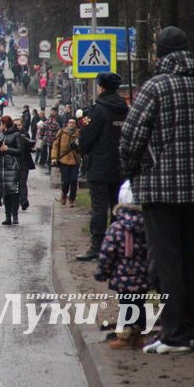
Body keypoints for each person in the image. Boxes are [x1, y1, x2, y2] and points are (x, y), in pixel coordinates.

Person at [120, 26, 194, 354]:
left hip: (160, 188)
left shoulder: (155, 88)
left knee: (167, 260)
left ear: (160, 53)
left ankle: (174, 335)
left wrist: (134, 170)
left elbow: (131, 137)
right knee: (188, 255)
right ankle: (191, 326)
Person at [76, 72, 129, 261]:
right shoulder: (125, 108)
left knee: (99, 207)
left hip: (99, 166)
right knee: (118, 206)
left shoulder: (98, 110)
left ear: (102, 87)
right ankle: (115, 246)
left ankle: (97, 247)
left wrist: (82, 148)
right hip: (121, 166)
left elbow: (86, 140)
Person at [94, 182, 150, 350]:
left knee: (126, 305)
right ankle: (139, 336)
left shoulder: (117, 227)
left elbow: (107, 252)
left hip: (123, 277)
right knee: (140, 304)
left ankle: (125, 337)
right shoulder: (148, 225)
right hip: (143, 276)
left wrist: (102, 272)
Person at [0, 116, 22, 225]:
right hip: (2, 168)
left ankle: (15, 216)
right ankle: (8, 217)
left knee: (14, 193)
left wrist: (8, 149)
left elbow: (19, 150)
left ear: (5, 124)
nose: (0, 126)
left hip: (12, 167)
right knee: (5, 193)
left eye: (1, 123)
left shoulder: (16, 134)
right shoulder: (2, 135)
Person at [51, 118, 81, 206]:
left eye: (73, 123)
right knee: (66, 181)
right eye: (70, 122)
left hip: (75, 160)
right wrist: (54, 157)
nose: (71, 124)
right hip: (63, 160)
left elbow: (83, 147)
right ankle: (64, 195)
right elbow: (55, 146)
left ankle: (72, 199)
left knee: (74, 180)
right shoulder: (62, 132)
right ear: (67, 123)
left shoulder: (79, 134)